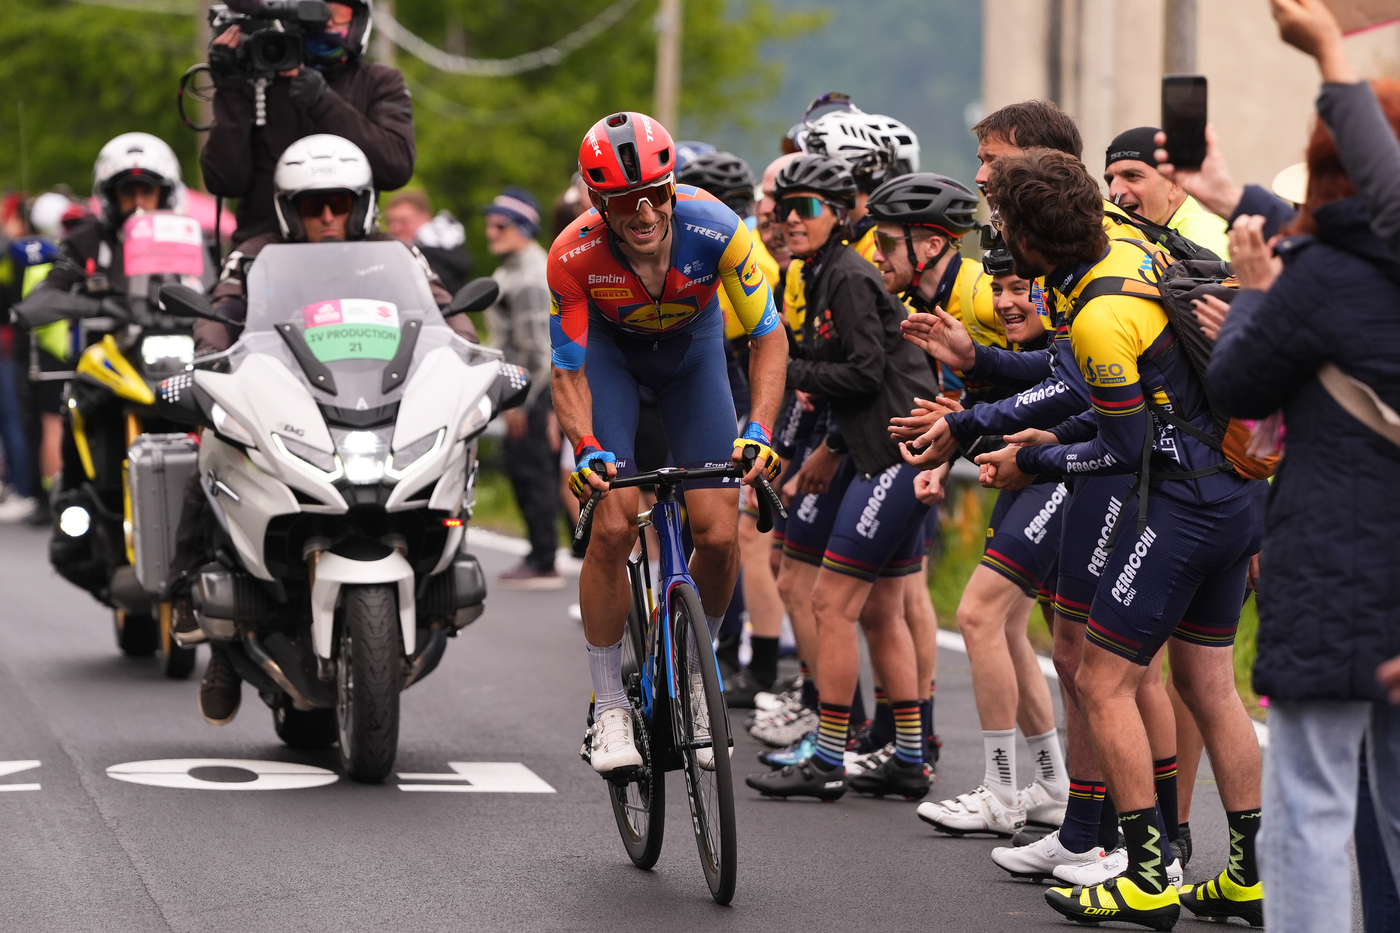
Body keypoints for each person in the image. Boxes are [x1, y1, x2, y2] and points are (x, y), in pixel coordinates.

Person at [972, 149, 1265, 929]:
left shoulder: (1099, 317)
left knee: (1102, 680)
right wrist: (1028, 436)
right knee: (1209, 684)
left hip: (1187, 505)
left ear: (1030, 242)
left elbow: (1121, 448)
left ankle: (1146, 875)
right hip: (1238, 490)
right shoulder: (1129, 242)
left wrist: (1033, 460)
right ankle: (1247, 876)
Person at [1206, 68, 1400, 933]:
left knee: (1312, 804)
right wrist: (1226, 192)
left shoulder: (1316, 277)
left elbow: (1239, 382)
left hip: (1334, 568)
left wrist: (1253, 293)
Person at [187, 134, 471, 725]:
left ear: (360, 205)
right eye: (310, 205)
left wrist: (470, 357)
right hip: (288, 404)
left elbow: (445, 315)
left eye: (337, 203)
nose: (324, 216)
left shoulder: (396, 253)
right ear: (287, 208)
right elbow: (219, 314)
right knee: (212, 453)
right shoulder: (255, 254)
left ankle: (438, 575)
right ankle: (210, 633)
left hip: (379, 404)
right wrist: (206, 364)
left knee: (455, 458)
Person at [546, 112, 787, 776]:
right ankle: (610, 706)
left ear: (673, 184)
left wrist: (760, 429)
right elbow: (567, 373)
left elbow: (768, 337)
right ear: (597, 201)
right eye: (626, 200)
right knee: (612, 525)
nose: (645, 211)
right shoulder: (572, 255)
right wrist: (586, 445)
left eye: (656, 192)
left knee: (719, 532)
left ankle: (698, 677)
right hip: (612, 363)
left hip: (693, 359)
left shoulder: (718, 229)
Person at [744, 154, 940, 801]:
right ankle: (908, 755)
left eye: (806, 209)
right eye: (783, 209)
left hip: (893, 452)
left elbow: (863, 370)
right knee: (881, 609)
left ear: (837, 215)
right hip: (878, 447)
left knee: (830, 602)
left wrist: (786, 370)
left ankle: (829, 756)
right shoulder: (820, 270)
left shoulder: (848, 274)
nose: (790, 220)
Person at [899, 240, 1069, 837]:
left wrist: (963, 414)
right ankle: (1053, 786)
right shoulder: (1012, 339)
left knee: (977, 615)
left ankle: (1000, 791)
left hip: (1062, 479)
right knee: (1010, 628)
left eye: (1019, 289)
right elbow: (987, 409)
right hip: (1033, 480)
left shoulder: (1065, 337)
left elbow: (1022, 405)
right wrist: (944, 456)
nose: (1004, 302)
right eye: (998, 290)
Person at [201, 0, 414, 247]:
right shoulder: (260, 80)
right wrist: (231, 90)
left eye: (338, 14)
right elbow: (225, 181)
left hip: (353, 254)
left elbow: (396, 168)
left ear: (359, 20)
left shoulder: (379, 81)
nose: (327, 23)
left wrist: (323, 101)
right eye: (314, 13)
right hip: (267, 255)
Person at [481, 188, 559, 590]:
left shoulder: (528, 276)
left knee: (533, 471)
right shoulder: (510, 269)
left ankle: (544, 559)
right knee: (523, 469)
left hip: (529, 390)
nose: (490, 232)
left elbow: (537, 350)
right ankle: (537, 553)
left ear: (523, 227)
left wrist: (519, 402)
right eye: (490, 224)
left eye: (500, 225)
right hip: (518, 388)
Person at [1103, 127, 1229, 256]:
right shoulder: (1121, 242)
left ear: (1174, 184)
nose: (1114, 191)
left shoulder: (1210, 250)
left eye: (1132, 176)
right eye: (1110, 180)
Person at [384, 190, 474, 295]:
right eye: (390, 221)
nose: (395, 227)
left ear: (425, 218)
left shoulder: (432, 257)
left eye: (403, 221)